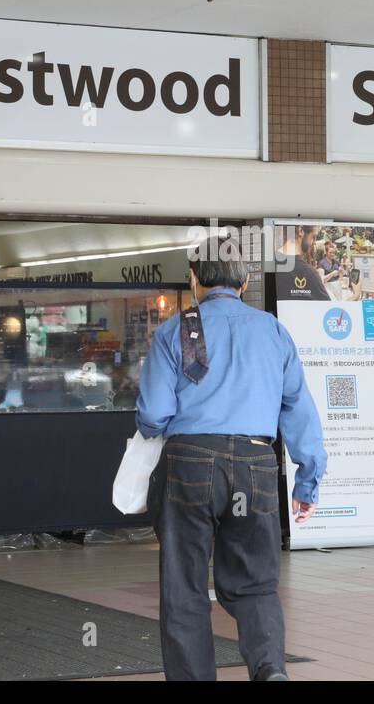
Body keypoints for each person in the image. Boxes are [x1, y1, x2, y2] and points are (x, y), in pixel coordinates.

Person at [136, 247, 326, 681]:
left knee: (184, 587)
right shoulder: (273, 332)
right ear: (244, 284)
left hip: (189, 463)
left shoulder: (176, 331)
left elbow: (153, 415)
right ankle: (269, 669)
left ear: (193, 279)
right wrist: (307, 480)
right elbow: (298, 408)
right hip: (256, 464)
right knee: (255, 582)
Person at [273, 224, 330, 301]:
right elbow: (329, 310)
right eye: (313, 237)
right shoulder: (308, 273)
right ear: (301, 231)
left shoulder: (267, 262)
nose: (314, 242)